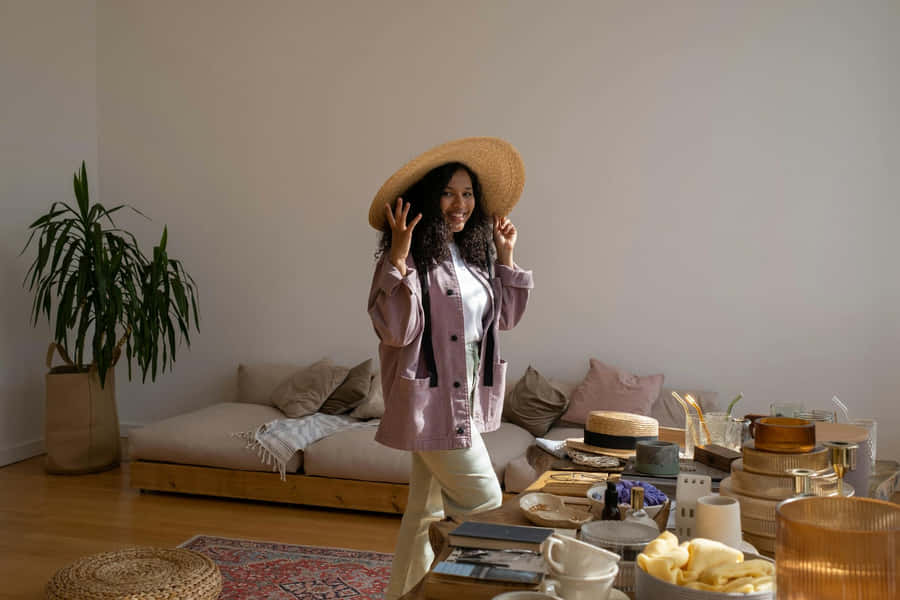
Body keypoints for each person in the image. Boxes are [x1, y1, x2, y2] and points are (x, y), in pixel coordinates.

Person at [366, 137, 534, 599]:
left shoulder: (471, 258)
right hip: (431, 402)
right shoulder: (409, 260)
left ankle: (405, 594)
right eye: (447, 193)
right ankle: (465, 593)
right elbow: (395, 331)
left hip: (462, 399)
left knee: (423, 512)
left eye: (467, 194)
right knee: (485, 503)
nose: (460, 204)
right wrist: (398, 256)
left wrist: (507, 258)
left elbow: (504, 319)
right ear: (426, 199)